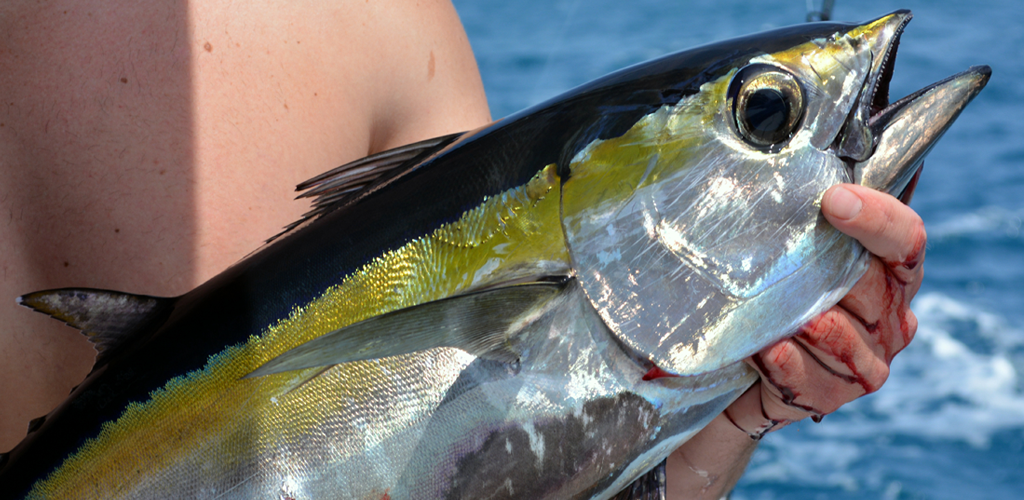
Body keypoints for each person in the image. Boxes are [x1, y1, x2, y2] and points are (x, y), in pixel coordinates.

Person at [0, 1, 923, 497]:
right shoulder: (374, 22)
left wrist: (739, 403)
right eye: (766, 116)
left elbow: (498, 462)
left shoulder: (383, 25)